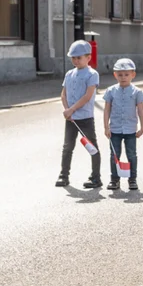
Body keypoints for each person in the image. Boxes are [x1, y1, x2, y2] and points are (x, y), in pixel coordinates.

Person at [57, 40, 101, 188]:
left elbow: (87, 96)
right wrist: (66, 110)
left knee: (92, 147)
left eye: (79, 58)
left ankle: (96, 177)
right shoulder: (69, 74)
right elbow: (63, 94)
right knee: (67, 147)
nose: (75, 61)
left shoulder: (92, 74)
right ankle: (64, 176)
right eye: (73, 58)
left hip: (85, 118)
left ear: (88, 58)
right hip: (71, 119)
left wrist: (72, 109)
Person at [103, 58, 143, 191]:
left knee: (131, 154)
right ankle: (114, 180)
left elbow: (140, 111)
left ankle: (132, 179)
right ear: (115, 75)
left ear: (133, 75)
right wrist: (106, 127)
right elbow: (107, 110)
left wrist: (142, 127)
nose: (123, 77)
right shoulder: (110, 91)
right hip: (115, 129)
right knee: (114, 155)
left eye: (126, 74)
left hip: (130, 130)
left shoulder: (136, 92)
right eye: (120, 75)